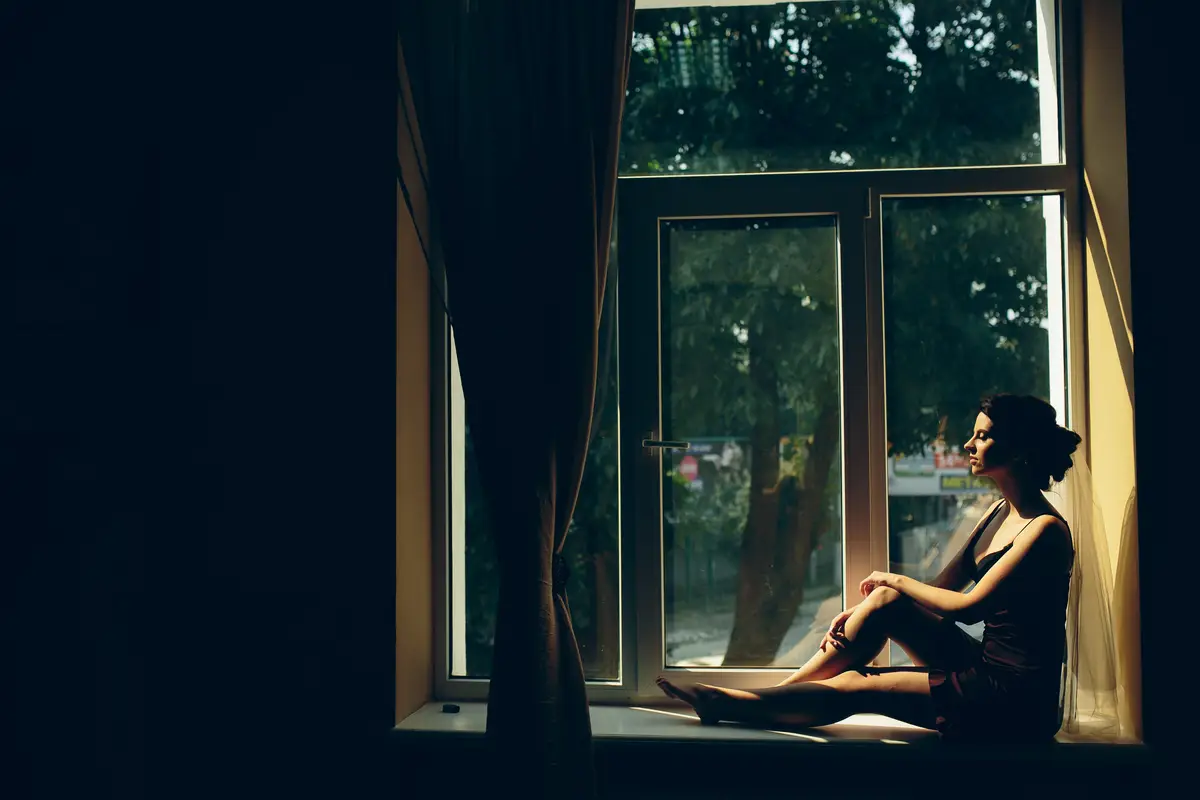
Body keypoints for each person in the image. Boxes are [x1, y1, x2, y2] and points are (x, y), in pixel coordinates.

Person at [657, 393, 1082, 742]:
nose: (968, 445)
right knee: (885, 601)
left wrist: (891, 577)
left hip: (1012, 702)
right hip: (984, 664)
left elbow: (967, 607)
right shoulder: (997, 513)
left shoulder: (1044, 529)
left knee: (858, 685)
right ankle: (772, 697)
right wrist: (870, 610)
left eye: (982, 437)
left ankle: (737, 704)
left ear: (1020, 451)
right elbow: (937, 591)